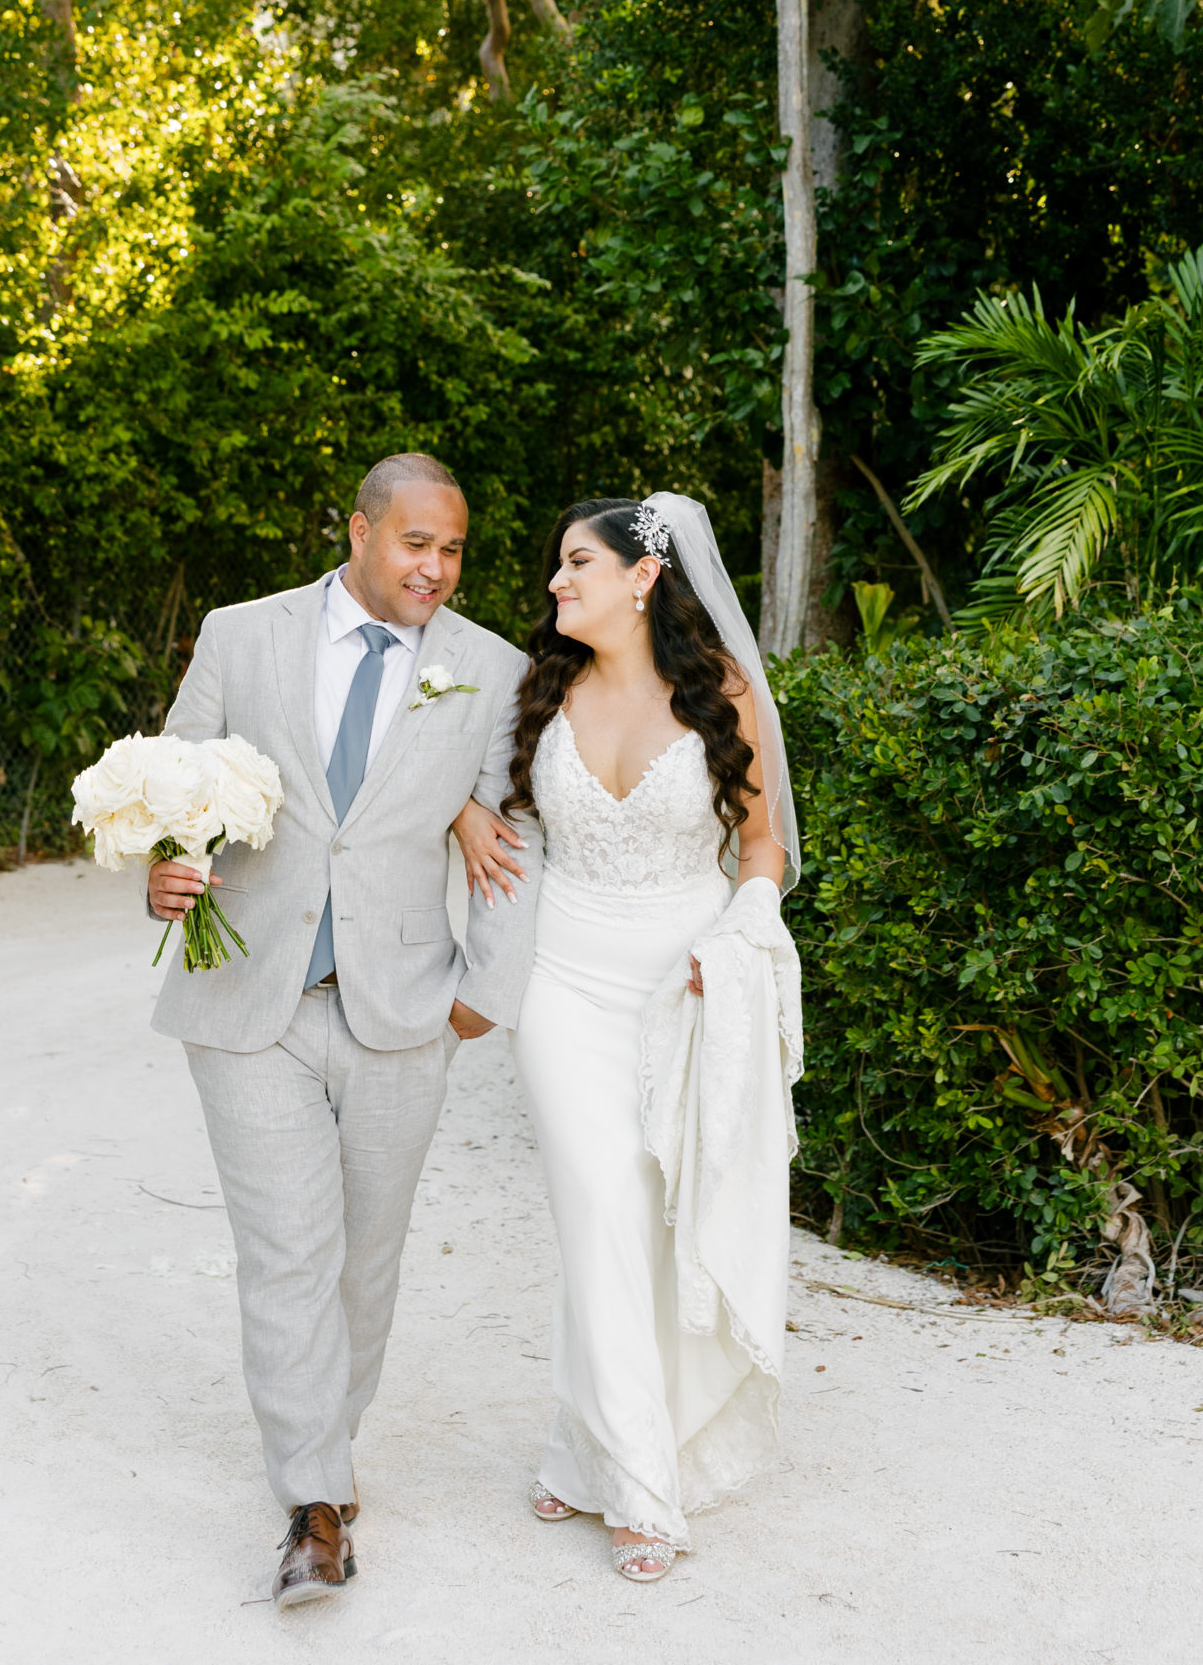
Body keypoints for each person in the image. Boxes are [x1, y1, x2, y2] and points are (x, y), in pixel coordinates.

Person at [148, 452, 540, 1610]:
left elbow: (519, 839)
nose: (437, 567)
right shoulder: (242, 634)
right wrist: (166, 872)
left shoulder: (489, 668)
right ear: (361, 531)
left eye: (455, 549)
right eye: (417, 543)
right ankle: (313, 1505)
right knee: (286, 1252)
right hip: (247, 1001)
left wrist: (483, 991)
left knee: (367, 1258)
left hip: (404, 1008)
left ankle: (329, 1439)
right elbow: (175, 794)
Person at [455, 493, 802, 1583]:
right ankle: (642, 1490)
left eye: (576, 564)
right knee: (598, 1202)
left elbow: (763, 850)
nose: (556, 584)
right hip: (564, 980)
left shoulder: (724, 697)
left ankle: (578, 1437)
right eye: (556, 569)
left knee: (657, 1221)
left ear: (641, 576)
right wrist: (463, 813)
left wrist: (744, 928)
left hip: (685, 983)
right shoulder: (536, 689)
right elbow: (453, 787)